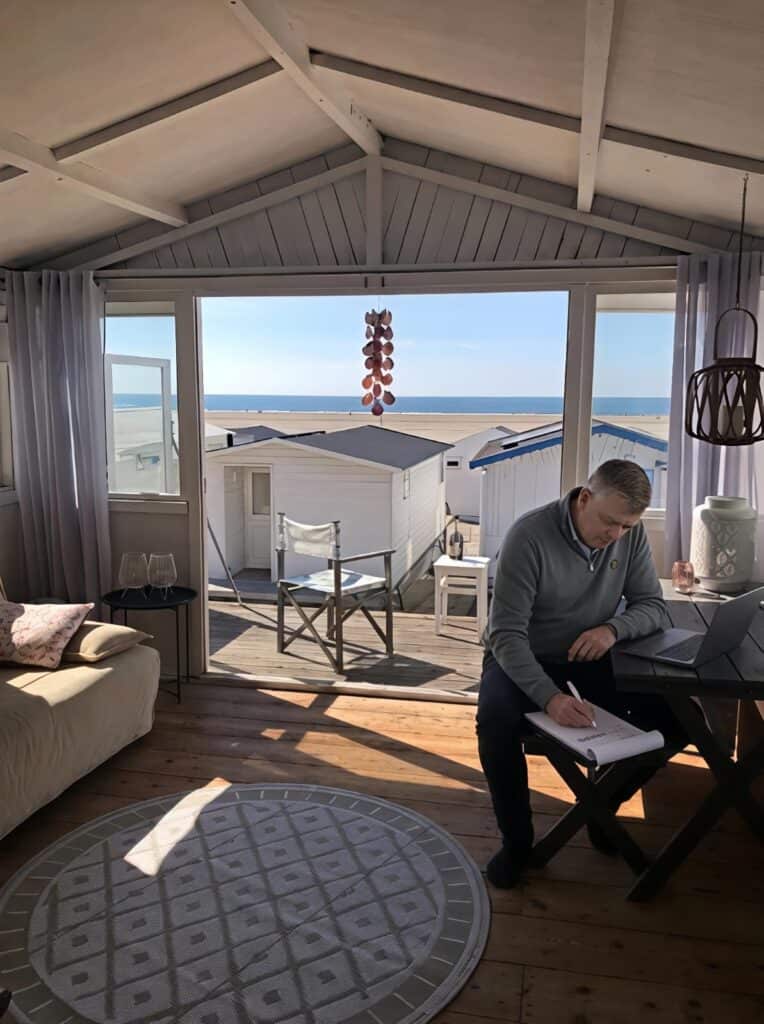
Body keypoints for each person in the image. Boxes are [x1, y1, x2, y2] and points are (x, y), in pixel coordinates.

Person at [476, 459, 687, 888]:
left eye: (626, 526)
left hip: (590, 657)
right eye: (609, 522)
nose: (616, 535)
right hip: (522, 657)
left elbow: (653, 606)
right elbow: (506, 634)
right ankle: (517, 843)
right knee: (494, 722)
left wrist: (612, 629)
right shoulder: (528, 536)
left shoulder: (628, 535)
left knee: (681, 720)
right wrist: (549, 697)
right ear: (584, 498)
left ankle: (601, 809)